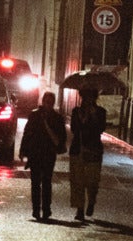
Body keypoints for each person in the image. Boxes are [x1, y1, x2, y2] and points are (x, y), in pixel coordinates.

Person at [19, 93, 66, 222]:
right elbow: (27, 133)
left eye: (51, 103)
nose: (48, 105)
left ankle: (46, 209)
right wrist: (23, 150)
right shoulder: (34, 115)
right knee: (35, 183)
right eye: (46, 102)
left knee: (46, 182)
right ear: (43, 101)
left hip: (49, 153)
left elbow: (60, 139)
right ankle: (36, 209)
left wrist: (47, 125)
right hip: (35, 153)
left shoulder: (57, 118)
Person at [68, 88, 109, 221]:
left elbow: (101, 129)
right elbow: (74, 128)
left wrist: (94, 117)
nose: (87, 101)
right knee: (78, 181)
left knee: (92, 181)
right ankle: (80, 209)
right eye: (85, 98)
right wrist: (82, 119)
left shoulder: (101, 112)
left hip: (93, 150)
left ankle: (91, 201)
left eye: (90, 98)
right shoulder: (76, 112)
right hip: (78, 149)